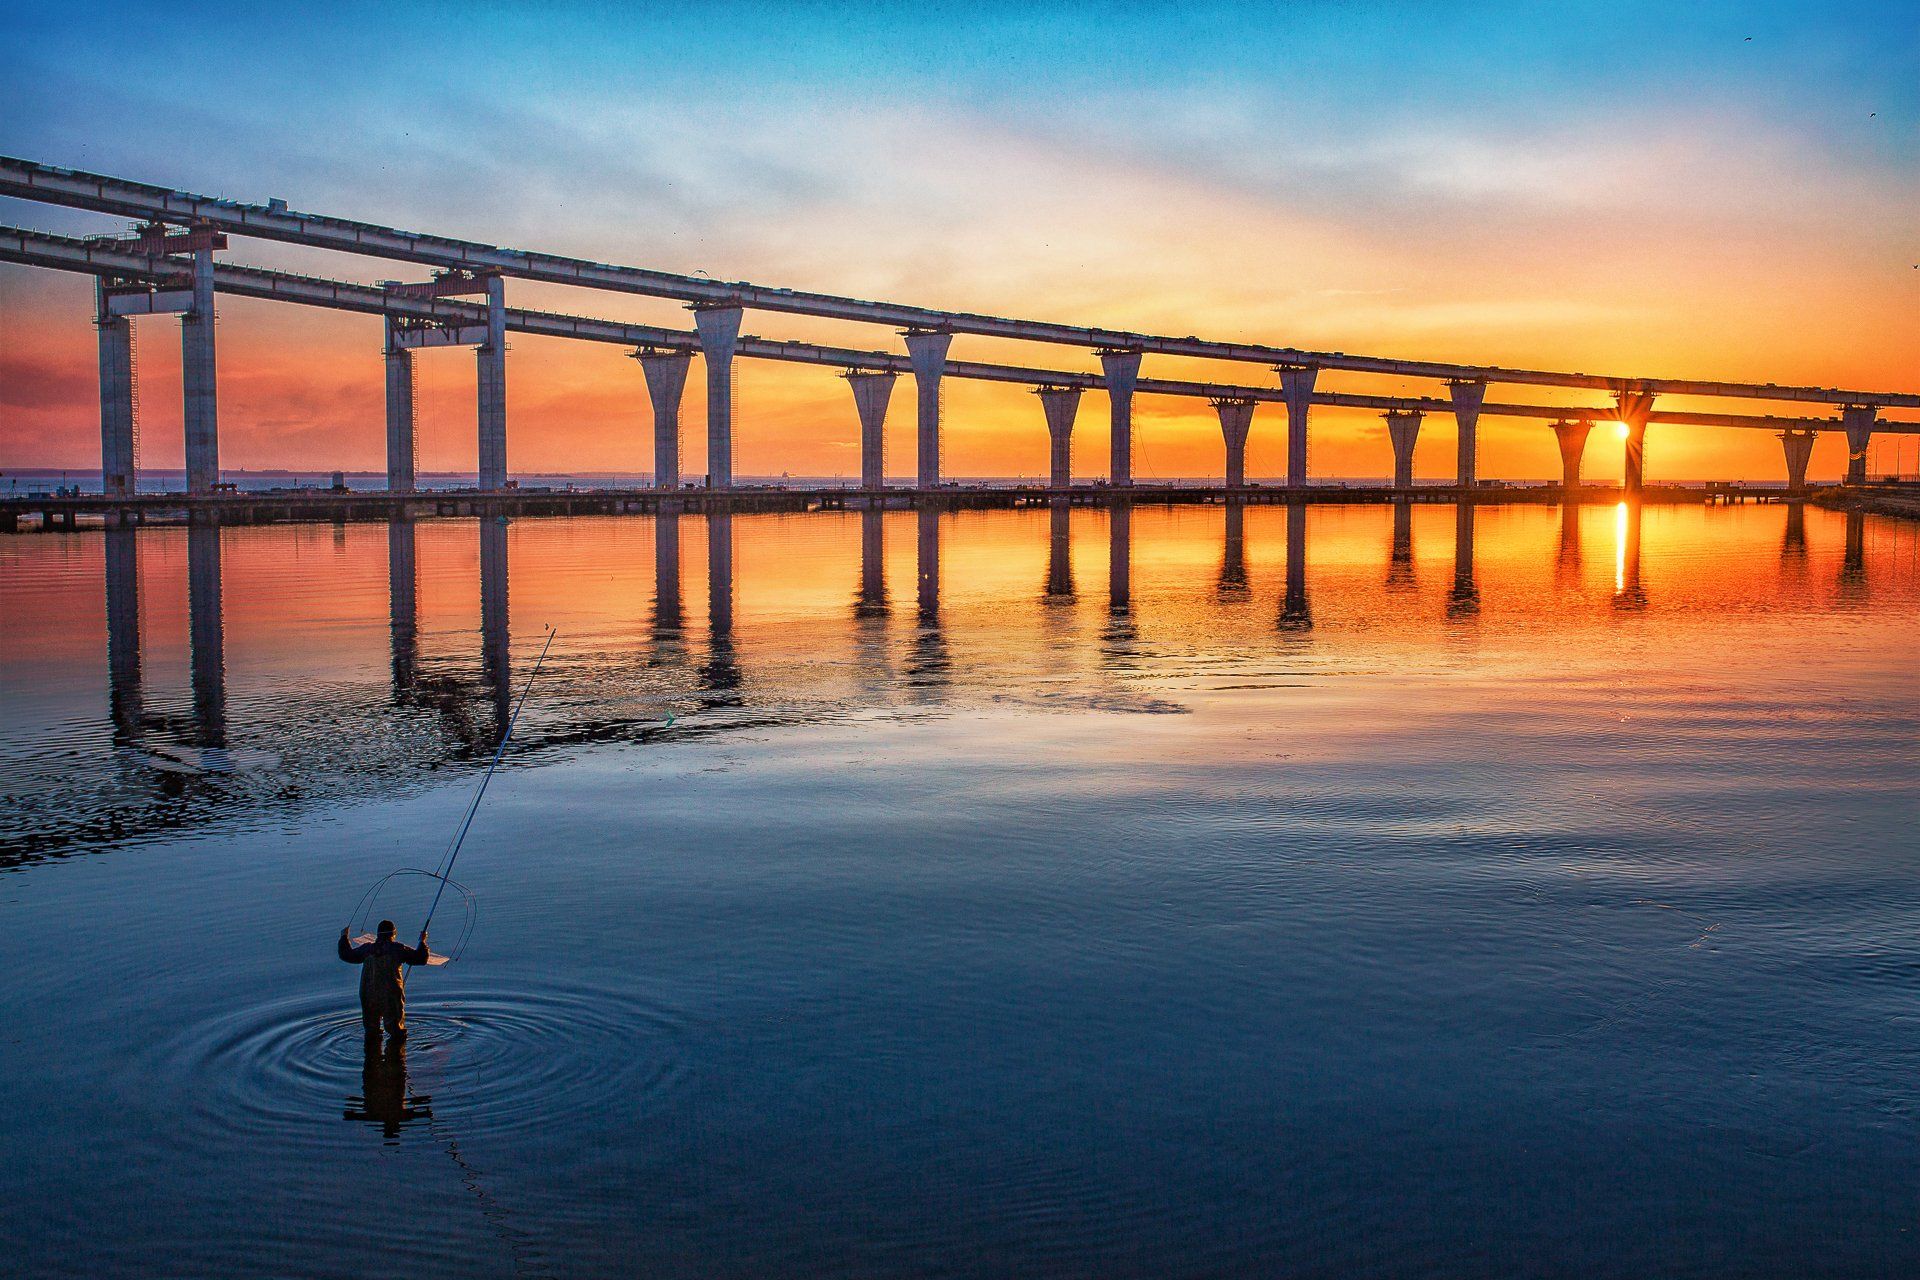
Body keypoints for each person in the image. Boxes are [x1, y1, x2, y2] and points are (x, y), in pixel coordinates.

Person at [338, 919, 430, 1045]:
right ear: (393, 934)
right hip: (391, 996)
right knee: (396, 1033)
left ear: (378, 934)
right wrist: (422, 941)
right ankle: (396, 1059)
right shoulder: (398, 949)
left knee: (372, 1032)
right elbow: (421, 958)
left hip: (368, 995)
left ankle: (371, 1059)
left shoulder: (366, 949)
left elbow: (346, 955)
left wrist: (344, 937)